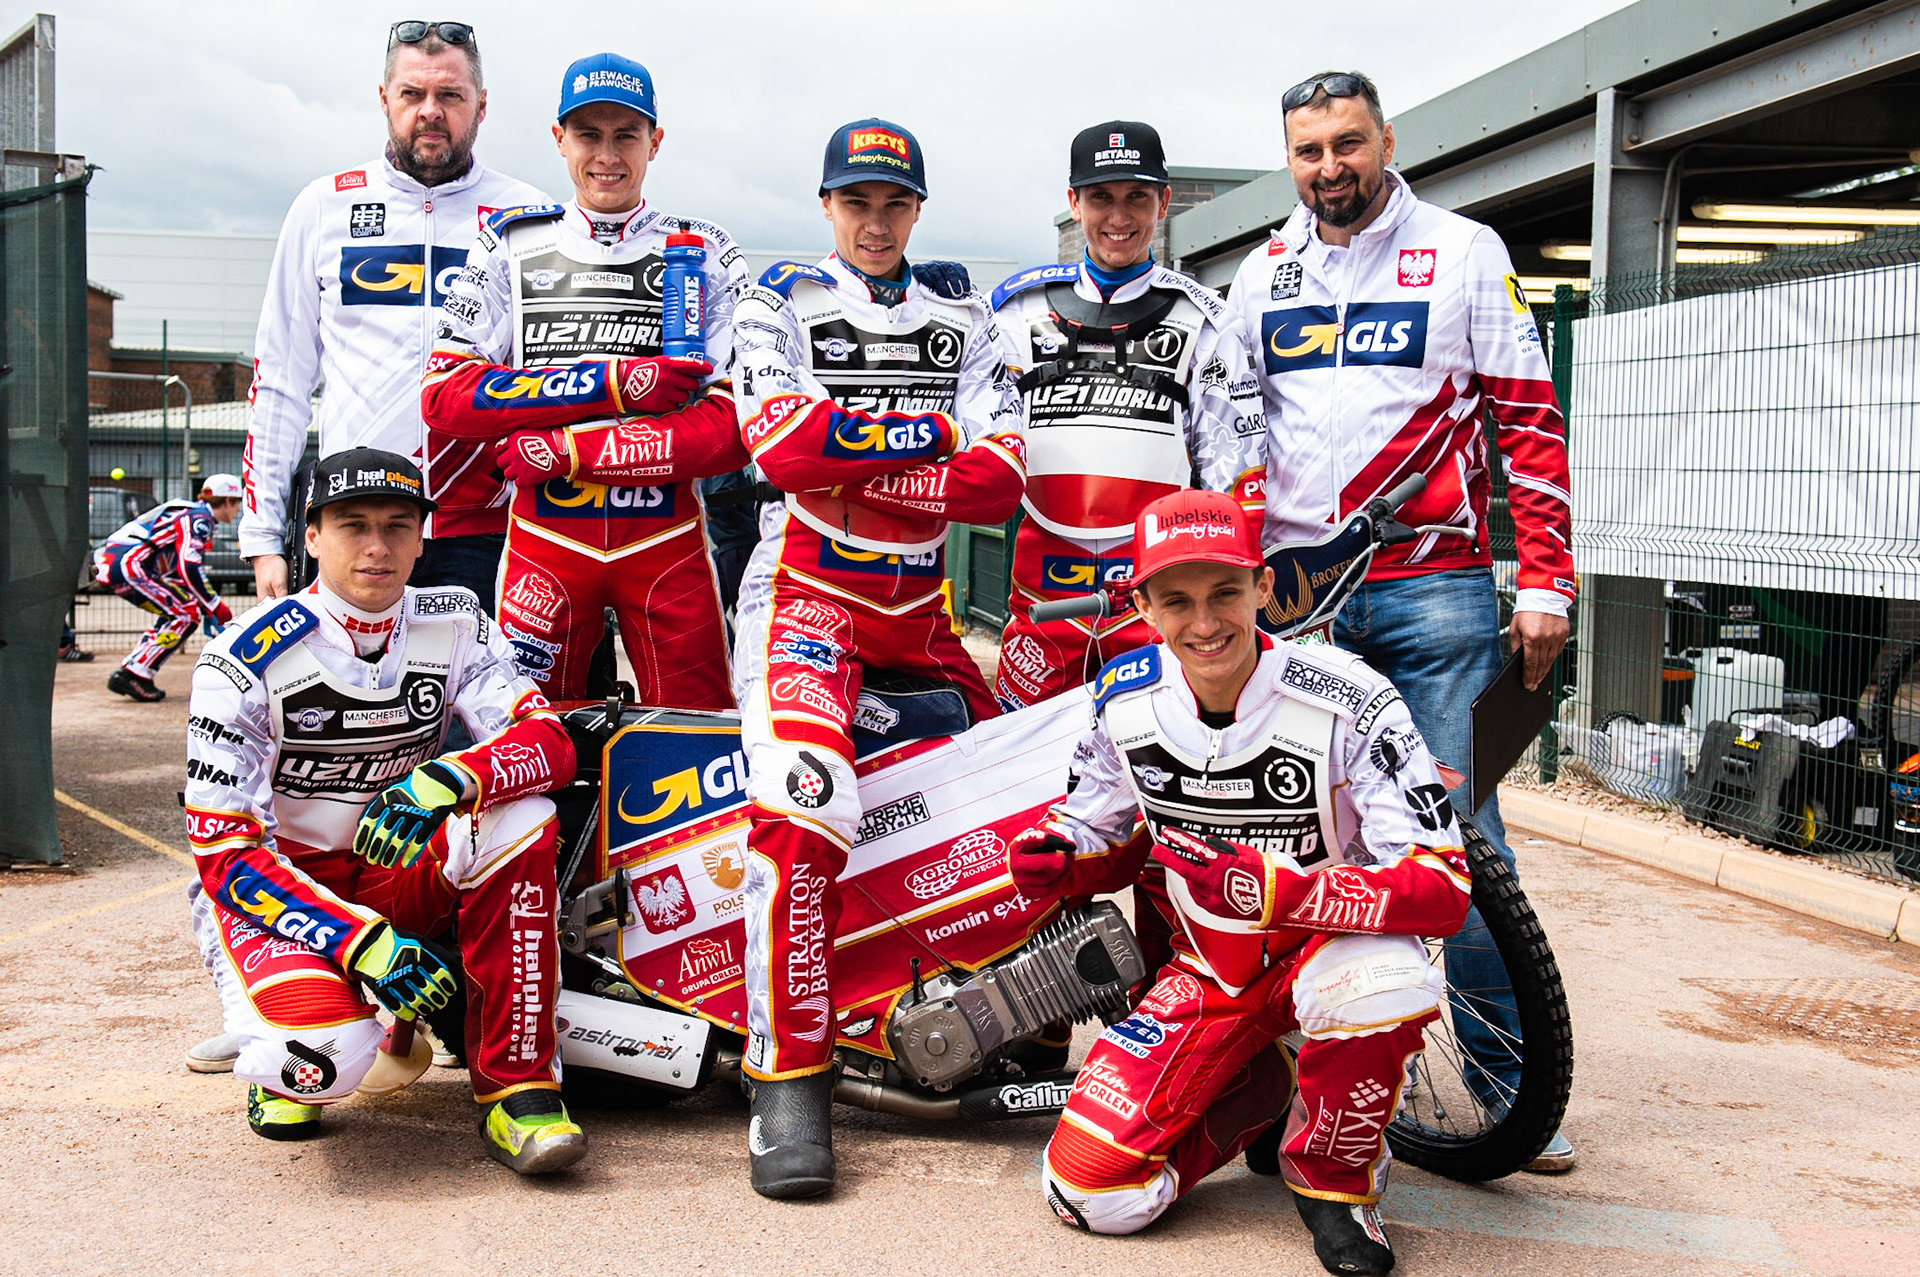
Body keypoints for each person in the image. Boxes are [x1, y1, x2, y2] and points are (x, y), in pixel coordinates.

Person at [1229, 71, 1577, 1172]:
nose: (1328, 167)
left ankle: (1513, 1091)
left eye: (1345, 143)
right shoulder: (1261, 269)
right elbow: (1235, 431)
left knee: (1458, 834)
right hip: (1296, 605)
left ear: (1385, 139)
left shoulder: (1466, 250)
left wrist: (1547, 580)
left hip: (1439, 590)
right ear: (1287, 159)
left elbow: (1528, 419)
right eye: (1306, 151)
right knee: (1289, 836)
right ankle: (1285, 1083)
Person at [1010, 489, 1470, 1275]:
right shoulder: (1120, 699)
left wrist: (1282, 894)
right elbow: (1090, 821)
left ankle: (1333, 1180)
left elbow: (1444, 889)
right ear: (1144, 606)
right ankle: (1264, 1084)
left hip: (1333, 945)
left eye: (1225, 591)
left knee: (1386, 981)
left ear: (1262, 586)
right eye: (1177, 599)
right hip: (1211, 972)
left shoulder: (1353, 696)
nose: (1205, 621)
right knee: (1092, 1193)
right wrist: (1057, 852)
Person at [727, 118, 1026, 1199]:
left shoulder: (963, 314)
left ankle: (1011, 1020)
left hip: (922, 608)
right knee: (804, 801)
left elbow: (1003, 482)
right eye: (856, 201)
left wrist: (864, 449)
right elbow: (780, 449)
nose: (875, 221)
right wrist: (932, 438)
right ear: (826, 206)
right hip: (804, 594)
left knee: (1035, 790)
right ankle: (788, 1075)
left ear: (917, 210)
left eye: (894, 202)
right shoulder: (779, 303)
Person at [183, 448, 586, 1173]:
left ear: (423, 536)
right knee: (317, 1062)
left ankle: (518, 1085)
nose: (378, 546)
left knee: (523, 813)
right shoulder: (238, 659)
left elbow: (549, 743)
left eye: (399, 526)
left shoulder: (456, 619)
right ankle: (293, 1039)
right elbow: (224, 858)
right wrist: (362, 941)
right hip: (274, 897)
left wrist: (451, 777)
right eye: (353, 525)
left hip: (395, 867)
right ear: (311, 537)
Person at [422, 52, 749, 705]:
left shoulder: (704, 251)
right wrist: (615, 384)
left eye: (626, 135)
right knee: (526, 734)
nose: (607, 154)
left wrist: (570, 449)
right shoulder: (507, 245)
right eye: (589, 134)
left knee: (698, 739)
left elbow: (731, 428)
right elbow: (443, 397)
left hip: (668, 540)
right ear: (559, 139)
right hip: (546, 541)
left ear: (655, 142)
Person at [239, 20, 545, 606]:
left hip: (486, 528)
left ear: (481, 106)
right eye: (412, 94)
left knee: (484, 699)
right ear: (385, 100)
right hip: (357, 522)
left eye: (450, 96)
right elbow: (280, 380)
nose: (430, 112)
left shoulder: (530, 215)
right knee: (347, 699)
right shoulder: (323, 206)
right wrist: (261, 538)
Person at [991, 121, 1266, 711]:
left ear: (1163, 202)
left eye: (1137, 197)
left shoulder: (1208, 321)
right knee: (1031, 769)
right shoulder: (1015, 311)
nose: (1119, 217)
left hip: (1157, 596)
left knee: (1157, 764)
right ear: (1073, 203)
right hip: (1038, 593)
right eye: (1101, 198)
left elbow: (1236, 474)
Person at [95, 475, 242, 702]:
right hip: (130, 564)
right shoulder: (199, 519)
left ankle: (135, 668)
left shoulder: (192, 513)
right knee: (186, 614)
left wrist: (204, 603)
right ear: (227, 501)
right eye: (237, 503)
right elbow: (188, 565)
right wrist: (214, 605)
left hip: (118, 562)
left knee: (179, 611)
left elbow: (175, 569)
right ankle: (134, 673)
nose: (237, 510)